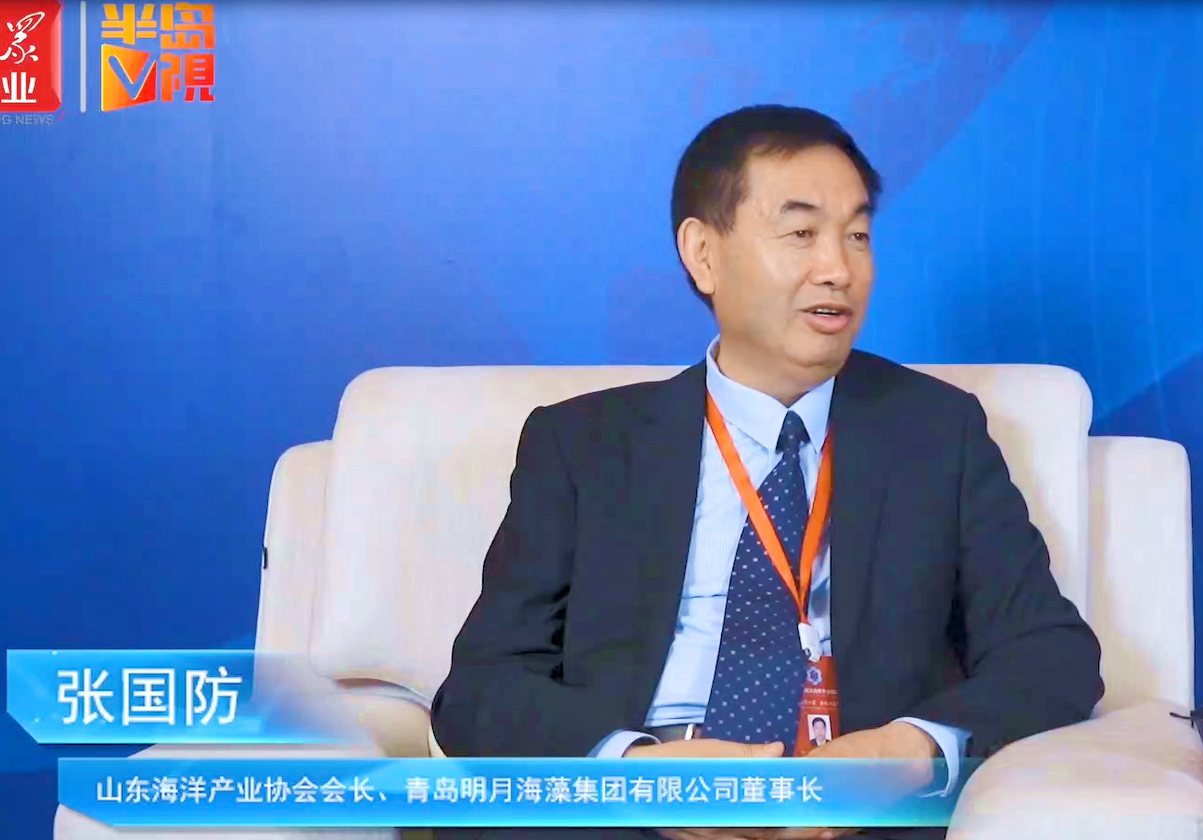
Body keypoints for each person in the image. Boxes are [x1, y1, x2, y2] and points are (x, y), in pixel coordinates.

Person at [430, 105, 1103, 840]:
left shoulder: (938, 434)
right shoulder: (583, 445)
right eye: (801, 233)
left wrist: (906, 751)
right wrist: (632, 771)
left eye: (857, 235)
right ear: (703, 254)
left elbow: (1052, 655)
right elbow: (481, 686)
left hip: (857, 813)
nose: (838, 270)